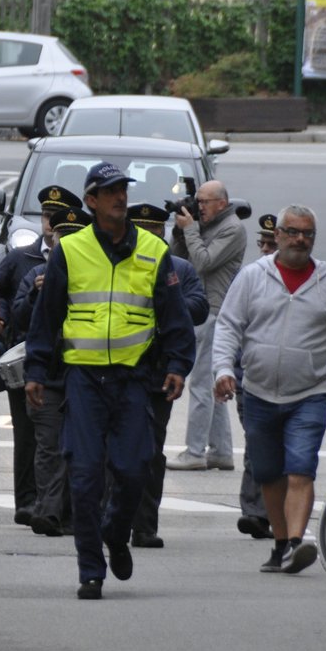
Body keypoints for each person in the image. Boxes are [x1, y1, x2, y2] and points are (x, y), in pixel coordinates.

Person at [23, 163, 196, 600]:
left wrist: (178, 364)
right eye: (110, 190)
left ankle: (116, 535)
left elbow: (175, 316)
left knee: (134, 468)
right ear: (92, 202)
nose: (120, 196)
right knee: (84, 477)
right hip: (83, 380)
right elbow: (47, 316)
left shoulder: (154, 252)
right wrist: (36, 371)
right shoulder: (71, 250)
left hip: (135, 379)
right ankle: (90, 570)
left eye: (123, 189)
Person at [212, 205, 326, 576]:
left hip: (308, 394)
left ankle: (296, 542)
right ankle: (280, 544)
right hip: (258, 391)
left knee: (300, 470)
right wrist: (223, 370)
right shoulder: (251, 277)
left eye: (307, 234)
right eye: (292, 232)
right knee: (268, 474)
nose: (300, 240)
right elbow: (228, 325)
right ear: (276, 235)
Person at [0, 185, 80, 526]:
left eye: (56, 219)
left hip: (71, 361)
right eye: (45, 216)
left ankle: (55, 504)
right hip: (27, 355)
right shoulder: (23, 258)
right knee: (28, 437)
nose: (49, 224)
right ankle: (28, 502)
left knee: (59, 439)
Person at [125, 203, 209, 549]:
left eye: (155, 231)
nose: (149, 237)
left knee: (150, 451)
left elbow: (199, 308)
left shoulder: (180, 269)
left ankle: (144, 526)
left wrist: (165, 302)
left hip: (158, 374)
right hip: (116, 370)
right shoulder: (117, 265)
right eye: (142, 231)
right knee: (107, 451)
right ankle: (105, 519)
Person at [8, 204, 92, 538]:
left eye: (73, 236)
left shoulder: (93, 274)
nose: (65, 243)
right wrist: (35, 295)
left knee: (80, 449)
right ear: (52, 240)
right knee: (47, 447)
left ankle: (70, 513)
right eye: (61, 236)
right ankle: (48, 511)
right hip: (47, 375)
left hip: (85, 374)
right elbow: (19, 320)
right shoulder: (35, 274)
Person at [167, 178, 246, 472]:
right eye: (196, 202)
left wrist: (190, 230)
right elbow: (178, 260)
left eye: (204, 202)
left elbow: (202, 262)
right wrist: (180, 232)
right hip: (205, 311)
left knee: (200, 383)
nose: (198, 207)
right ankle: (222, 451)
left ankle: (195, 451)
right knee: (212, 385)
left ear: (222, 203)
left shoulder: (232, 228)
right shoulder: (206, 226)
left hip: (215, 312)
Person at [235, 214, 277, 541]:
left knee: (284, 452)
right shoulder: (249, 279)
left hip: (291, 382)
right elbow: (231, 328)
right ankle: (255, 512)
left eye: (271, 244)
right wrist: (230, 373)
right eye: (261, 243)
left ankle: (263, 511)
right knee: (255, 444)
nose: (264, 249)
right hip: (250, 379)